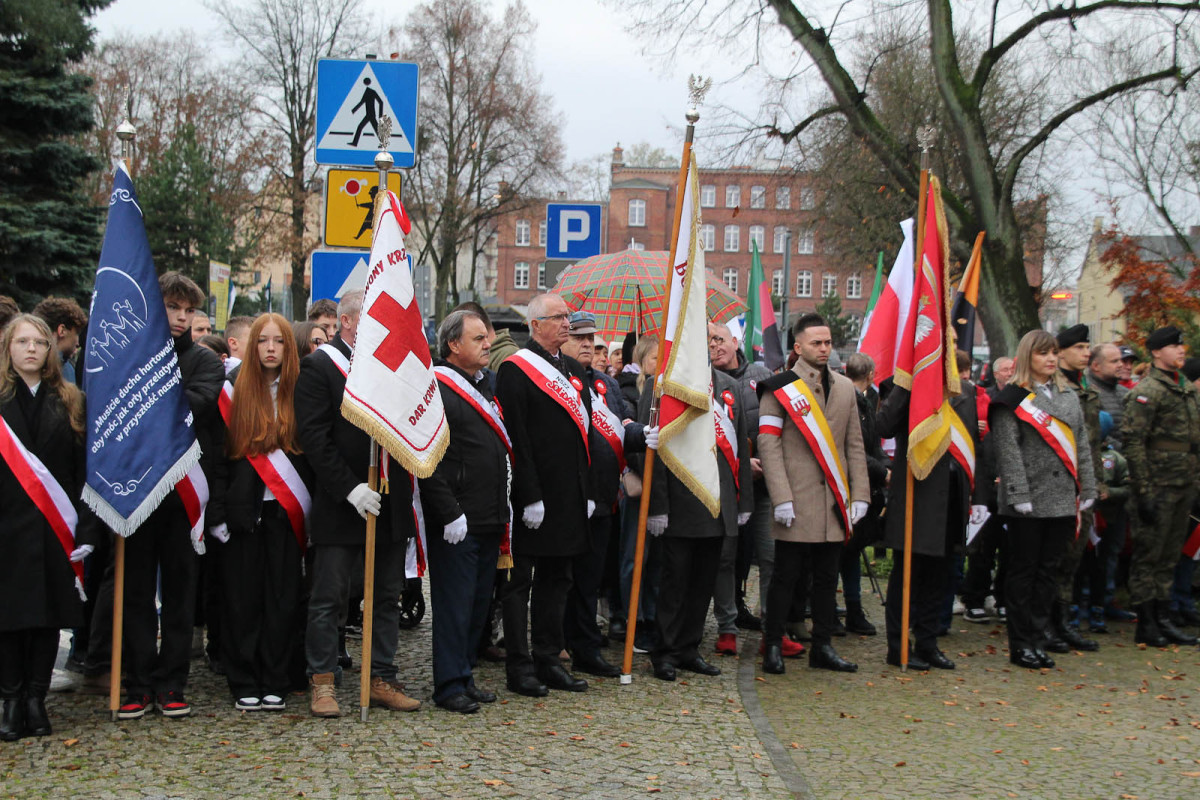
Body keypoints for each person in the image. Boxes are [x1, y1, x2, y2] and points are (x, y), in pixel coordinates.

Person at [294, 289, 420, 717]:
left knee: (386, 594)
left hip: (389, 497)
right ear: (347, 322)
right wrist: (349, 488)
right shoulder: (319, 367)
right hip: (342, 500)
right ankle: (323, 680)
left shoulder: (395, 367)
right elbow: (314, 439)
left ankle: (380, 675)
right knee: (330, 595)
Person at [119, 272, 225, 720]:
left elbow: (194, 404)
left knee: (181, 593)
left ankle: (172, 682)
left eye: (188, 311)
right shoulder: (126, 355)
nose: (181, 318)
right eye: (172, 308)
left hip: (184, 496)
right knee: (136, 591)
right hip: (135, 490)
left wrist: (142, 393)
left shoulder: (204, 361)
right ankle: (137, 682)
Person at [495, 293, 597, 697]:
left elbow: (583, 435)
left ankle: (549, 658)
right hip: (532, 499)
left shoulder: (572, 370)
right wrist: (529, 493)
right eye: (558, 318)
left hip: (569, 495)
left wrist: (586, 489)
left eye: (567, 317)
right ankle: (520, 666)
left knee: (559, 579)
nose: (567, 324)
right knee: (520, 583)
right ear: (536, 325)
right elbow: (515, 435)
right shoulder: (515, 370)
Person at [0, 315, 97, 740]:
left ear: (51, 350)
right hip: (6, 531)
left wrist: (88, 530)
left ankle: (37, 699)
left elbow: (83, 474)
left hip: (56, 529)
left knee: (46, 620)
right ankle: (10, 700)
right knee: (7, 620)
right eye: (22, 342)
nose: (32, 349)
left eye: (39, 342)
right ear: (8, 349)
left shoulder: (71, 400)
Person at [757, 314, 870, 674]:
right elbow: (768, 444)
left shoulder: (845, 388)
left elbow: (854, 444)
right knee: (785, 577)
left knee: (826, 578)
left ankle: (823, 645)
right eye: (816, 343)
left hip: (833, 500)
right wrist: (781, 497)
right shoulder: (779, 387)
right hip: (797, 498)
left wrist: (861, 494)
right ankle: (772, 644)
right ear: (798, 347)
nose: (824, 348)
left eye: (827, 342)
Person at [209, 314, 311, 712]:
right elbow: (219, 460)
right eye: (262, 341)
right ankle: (243, 678)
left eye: (279, 341)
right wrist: (217, 513)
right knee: (242, 599)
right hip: (243, 515)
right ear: (251, 347)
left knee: (282, 598)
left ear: (289, 347)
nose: (270, 348)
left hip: (285, 513)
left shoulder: (301, 392)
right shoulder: (233, 391)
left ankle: (275, 678)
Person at [989, 330, 1096, 670]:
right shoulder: (1014, 397)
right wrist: (1018, 493)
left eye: (1053, 353)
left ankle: (1039, 636)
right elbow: (1008, 449)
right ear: (1027, 357)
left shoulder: (1068, 395)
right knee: (1024, 572)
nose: (1050, 359)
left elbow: (1082, 445)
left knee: (1049, 572)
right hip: (1029, 500)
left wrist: (1088, 488)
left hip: (1063, 496)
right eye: (1042, 354)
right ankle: (1020, 644)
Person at [641, 360, 753, 682]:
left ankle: (688, 648)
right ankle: (664, 650)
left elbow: (741, 446)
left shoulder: (728, 385)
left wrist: (742, 499)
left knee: (703, 583)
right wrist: (657, 506)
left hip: (719, 504)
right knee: (673, 583)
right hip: (680, 503)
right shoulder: (663, 383)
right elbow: (653, 447)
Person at [421, 310, 509, 713]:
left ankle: (466, 674)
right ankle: (448, 683)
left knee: (477, 605)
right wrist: (449, 511)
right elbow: (428, 458)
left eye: (487, 338)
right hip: (458, 519)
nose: (487, 343)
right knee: (455, 605)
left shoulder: (485, 385)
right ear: (453, 345)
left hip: (489, 513)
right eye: (478, 339)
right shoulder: (438, 388)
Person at [876, 351, 987, 670]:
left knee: (939, 575)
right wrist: (907, 385)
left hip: (952, 496)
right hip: (917, 493)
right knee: (907, 575)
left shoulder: (964, 391)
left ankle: (928, 642)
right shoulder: (907, 385)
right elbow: (884, 426)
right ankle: (898, 646)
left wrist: (975, 496)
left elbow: (972, 449)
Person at [561, 311, 651, 679]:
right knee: (564, 580)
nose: (588, 345)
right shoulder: (556, 381)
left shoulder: (606, 385)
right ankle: (557, 646)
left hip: (603, 497)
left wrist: (645, 433)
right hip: (566, 500)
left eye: (593, 341)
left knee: (591, 578)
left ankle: (586, 648)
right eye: (580, 338)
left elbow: (621, 427)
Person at [1120, 326, 1200, 646]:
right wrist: (1144, 489)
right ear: (1156, 352)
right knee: (1148, 555)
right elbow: (1134, 441)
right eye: (1173, 346)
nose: (1181, 350)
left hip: (1184, 482)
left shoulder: (1186, 390)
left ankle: (1164, 617)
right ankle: (1147, 621)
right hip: (1157, 484)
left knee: (1169, 555)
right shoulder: (1148, 390)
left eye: (1181, 345)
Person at [707, 321, 782, 657]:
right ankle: (726, 627)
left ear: (736, 341)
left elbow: (780, 422)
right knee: (724, 559)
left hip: (764, 485)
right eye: (709, 342)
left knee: (770, 556)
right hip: (721, 486)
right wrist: (739, 464)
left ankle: (773, 628)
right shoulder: (702, 381)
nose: (715, 346)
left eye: (720, 339)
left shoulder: (763, 375)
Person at [1047, 324, 1103, 653]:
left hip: (1085, 483)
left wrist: (1095, 485)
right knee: (1055, 557)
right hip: (1059, 484)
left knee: (1073, 558)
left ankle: (1063, 622)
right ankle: (1048, 623)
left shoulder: (1087, 390)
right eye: (1080, 347)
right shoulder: (1055, 389)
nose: (1086, 353)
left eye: (1088, 347)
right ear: (1062, 351)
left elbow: (1090, 445)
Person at [839, 352, 890, 638]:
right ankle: (843, 608)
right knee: (842, 552)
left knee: (851, 552)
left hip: (864, 483)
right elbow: (854, 449)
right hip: (851, 486)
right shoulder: (853, 401)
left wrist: (885, 467)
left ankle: (853, 607)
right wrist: (884, 472)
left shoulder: (866, 402)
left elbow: (872, 447)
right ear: (871, 374)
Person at [31, 296, 87, 385]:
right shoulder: (62, 369)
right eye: (76, 333)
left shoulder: (25, 363)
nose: (78, 343)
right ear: (62, 330)